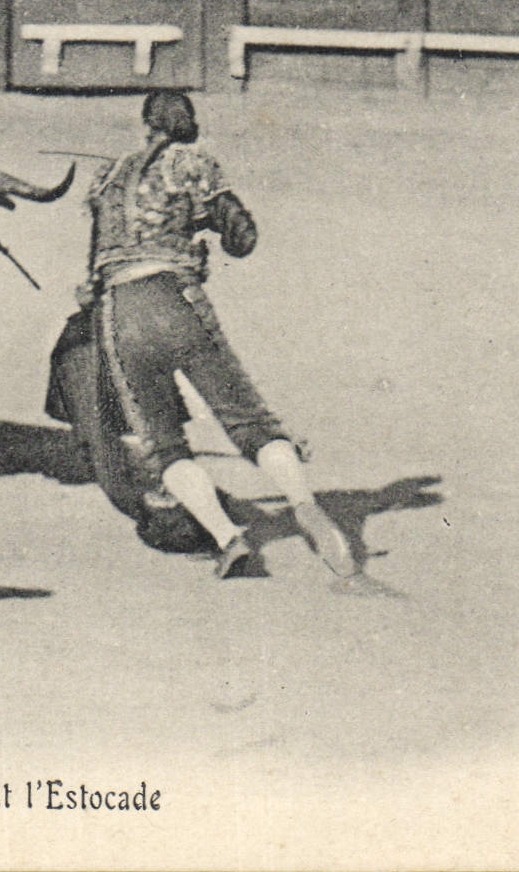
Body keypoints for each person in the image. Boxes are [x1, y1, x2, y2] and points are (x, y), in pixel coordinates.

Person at [80, 90, 356, 580]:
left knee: (161, 444)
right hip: (176, 300)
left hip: (117, 312)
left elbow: (95, 268)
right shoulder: (193, 164)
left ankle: (228, 539)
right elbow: (242, 236)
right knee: (246, 418)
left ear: (146, 124)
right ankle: (305, 507)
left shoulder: (106, 175)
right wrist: (204, 226)